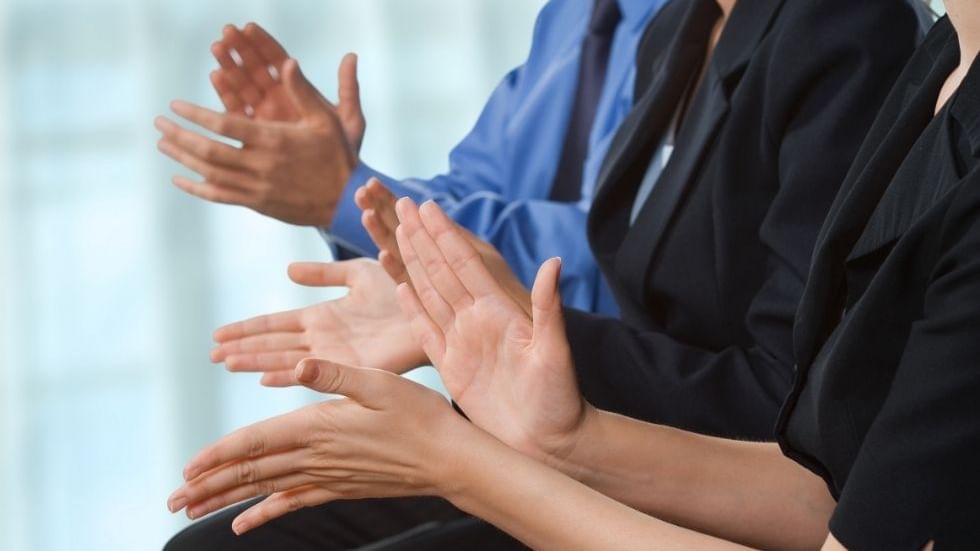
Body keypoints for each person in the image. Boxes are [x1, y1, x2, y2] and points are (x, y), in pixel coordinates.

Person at [167, 5, 980, 546]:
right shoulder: (656, 24)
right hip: (592, 408)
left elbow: (808, 425)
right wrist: (387, 236)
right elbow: (503, 194)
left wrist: (485, 424)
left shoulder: (847, 33)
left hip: (665, 427)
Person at [154, 0, 670, 315]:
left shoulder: (701, 27)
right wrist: (353, 191)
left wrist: (343, 196)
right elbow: (474, 189)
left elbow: (618, 257)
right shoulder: (570, 16)